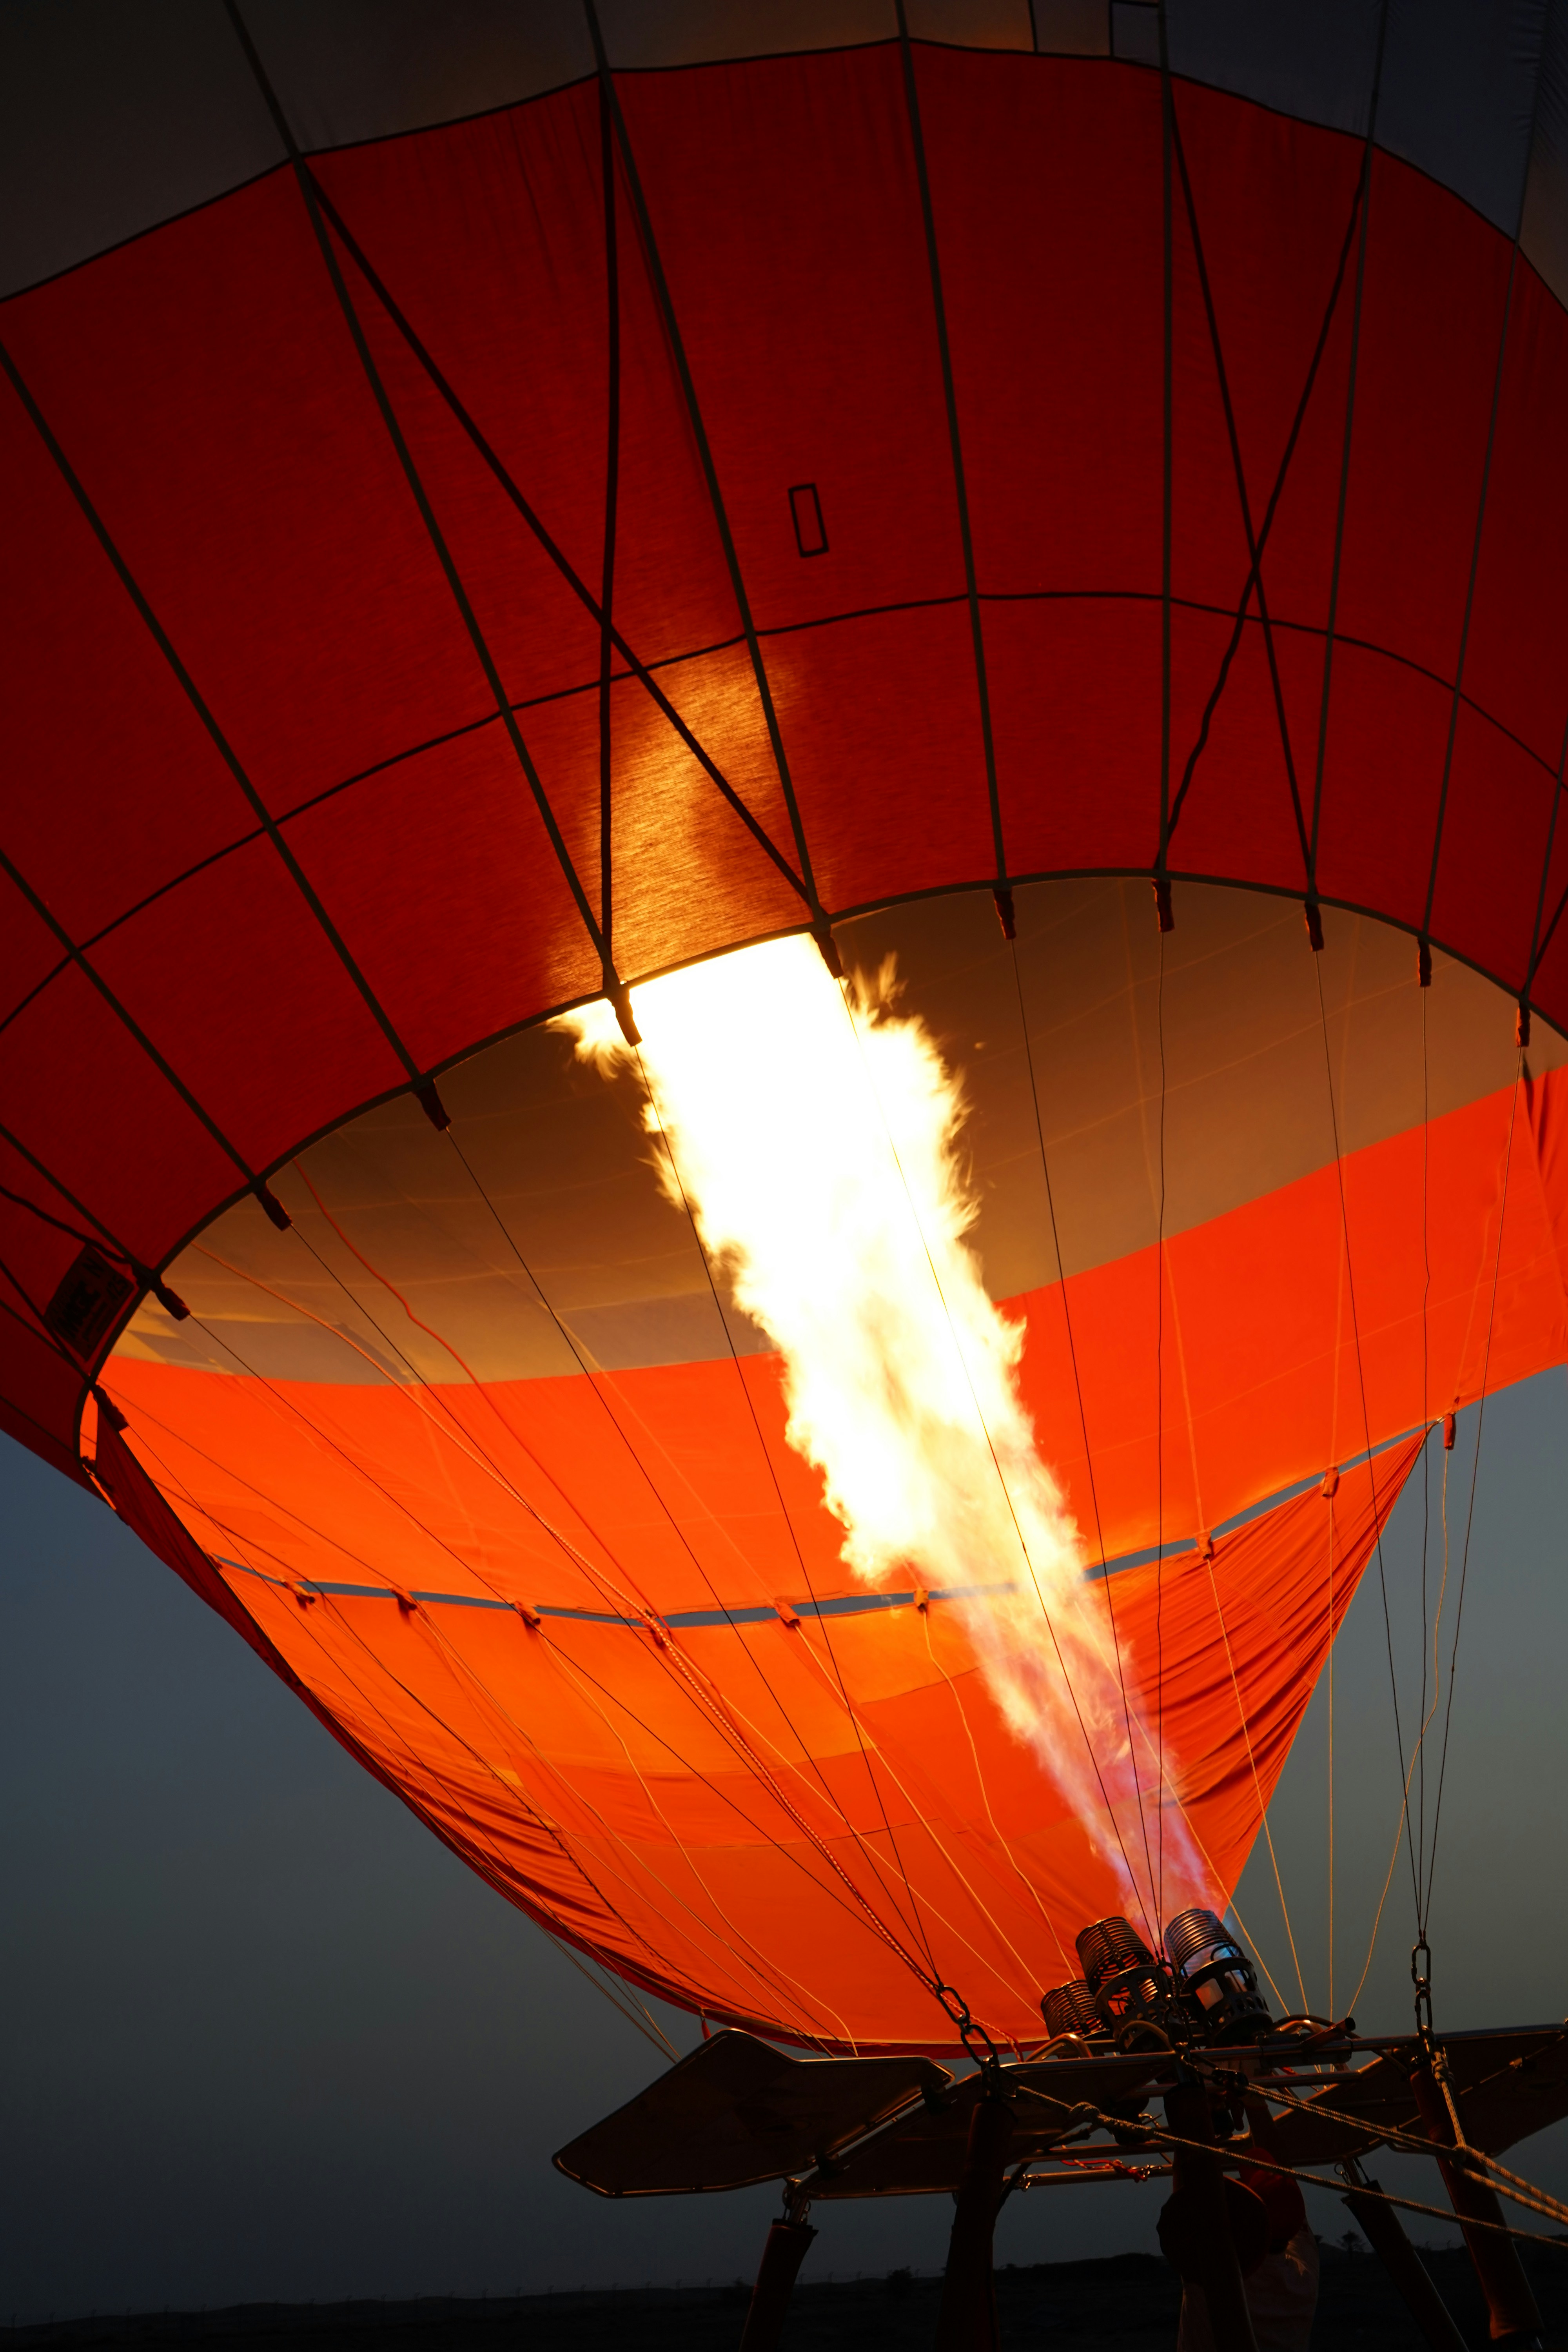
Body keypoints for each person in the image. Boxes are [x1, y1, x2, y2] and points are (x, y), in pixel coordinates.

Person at [1175, 2096, 1319, 2352]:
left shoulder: (1214, 2275)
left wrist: (1202, 2119)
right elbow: (1284, 2181)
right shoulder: (1301, 2279)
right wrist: (1253, 2100)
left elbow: (1185, 2197)